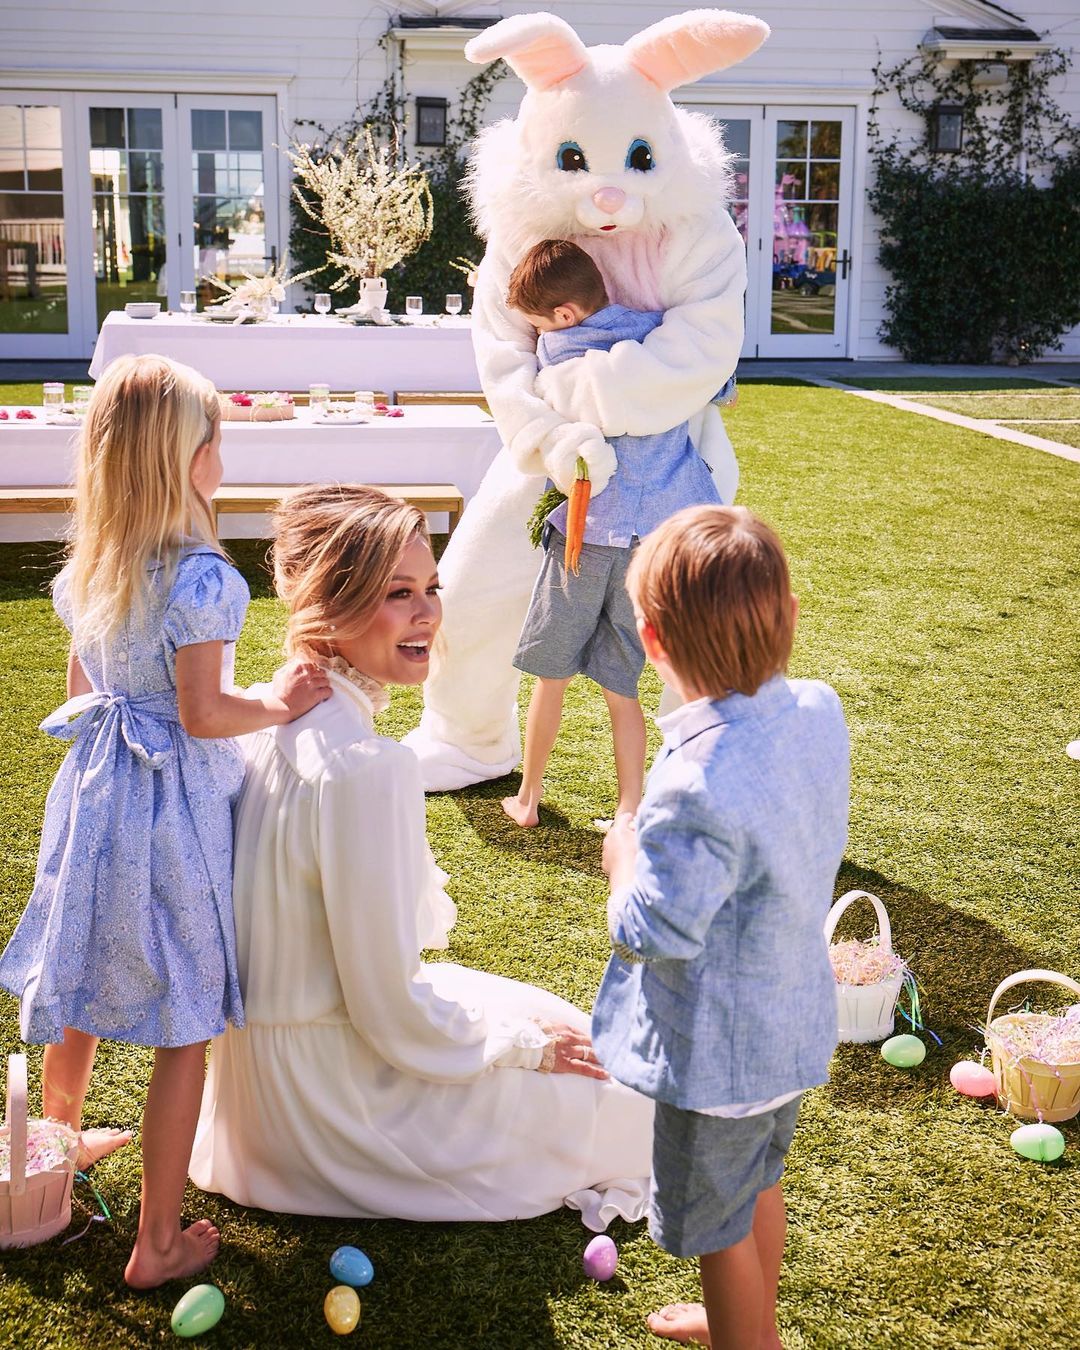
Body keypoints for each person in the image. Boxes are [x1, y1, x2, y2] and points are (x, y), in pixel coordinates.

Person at [189, 484, 653, 1228]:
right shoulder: (363, 768)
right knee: (634, 1109)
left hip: (257, 1088)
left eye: (431, 587)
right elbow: (392, 1012)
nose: (427, 613)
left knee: (568, 1027)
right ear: (330, 608)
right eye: (397, 593)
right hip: (328, 1106)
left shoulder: (266, 717)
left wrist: (522, 1036)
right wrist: (523, 1051)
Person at [0, 355, 330, 1288]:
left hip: (95, 793)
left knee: (82, 980)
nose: (223, 450)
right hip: (171, 812)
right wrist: (279, 701)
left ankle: (46, 1163)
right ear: (190, 461)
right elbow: (200, 714)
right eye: (214, 436)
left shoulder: (91, 568)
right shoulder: (204, 578)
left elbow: (83, 691)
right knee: (185, 1020)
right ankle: (155, 1242)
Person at [591, 505, 850, 1349]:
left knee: (718, 1228)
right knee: (759, 1182)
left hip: (719, 1062)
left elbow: (656, 928)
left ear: (652, 642)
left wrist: (620, 861)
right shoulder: (817, 708)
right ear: (793, 616)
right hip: (793, 1027)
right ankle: (743, 1317)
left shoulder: (692, 783)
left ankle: (749, 1332)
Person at [500, 239, 726, 830]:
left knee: (552, 672)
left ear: (565, 316)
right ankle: (629, 809)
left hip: (586, 529)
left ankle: (527, 799)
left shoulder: (560, 349)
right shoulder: (660, 342)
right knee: (622, 682)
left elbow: (540, 402)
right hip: (654, 542)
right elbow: (717, 383)